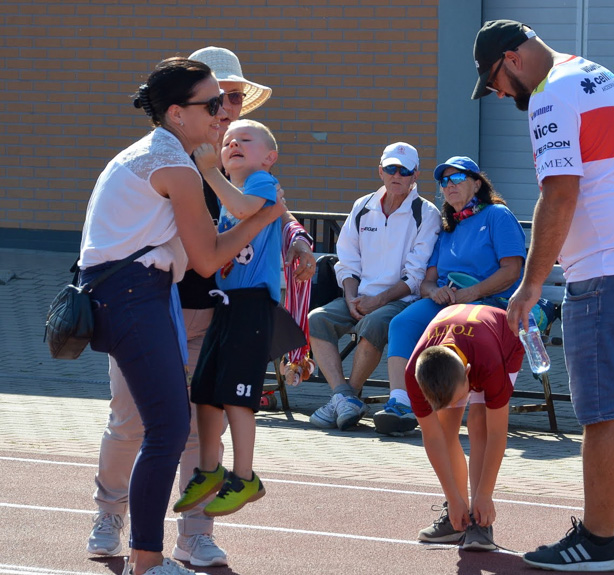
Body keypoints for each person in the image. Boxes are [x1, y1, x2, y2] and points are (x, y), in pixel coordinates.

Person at [85, 47, 314, 569]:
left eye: (232, 99)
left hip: (213, 310)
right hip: (152, 305)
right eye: (218, 100)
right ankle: (112, 516)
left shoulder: (230, 151)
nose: (227, 109)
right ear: (183, 109)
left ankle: (194, 533)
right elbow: (225, 239)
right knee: (133, 422)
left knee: (196, 428)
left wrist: (296, 237)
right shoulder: (177, 153)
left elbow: (265, 203)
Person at [471, 20, 614, 572]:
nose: (496, 94)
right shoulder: (594, 74)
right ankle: (606, 527)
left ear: (512, 59)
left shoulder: (550, 94)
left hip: (612, 271)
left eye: (493, 80)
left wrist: (531, 283)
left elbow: (559, 194)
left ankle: (598, 538)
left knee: (604, 414)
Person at [172, 119, 284, 518]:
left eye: (246, 139)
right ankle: (208, 470)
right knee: (204, 391)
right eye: (229, 140)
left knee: (237, 396)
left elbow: (242, 209)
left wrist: (209, 172)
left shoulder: (260, 182)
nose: (234, 142)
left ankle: (244, 476)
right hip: (227, 301)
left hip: (252, 303)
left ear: (269, 157)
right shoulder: (230, 192)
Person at [375, 156, 525, 436]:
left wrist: (472, 292)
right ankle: (401, 402)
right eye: (444, 181)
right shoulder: (448, 226)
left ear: (477, 184)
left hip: (488, 304)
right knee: (402, 323)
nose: (449, 185)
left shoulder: (497, 215)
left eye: (457, 179)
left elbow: (512, 271)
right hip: (447, 303)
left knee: (452, 332)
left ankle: (443, 406)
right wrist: (436, 291)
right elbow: (427, 283)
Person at [306, 142, 440, 431]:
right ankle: (344, 397)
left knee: (374, 324)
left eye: (404, 170)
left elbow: (415, 277)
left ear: (416, 175)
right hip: (360, 296)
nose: (397, 175)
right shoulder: (362, 205)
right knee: (316, 319)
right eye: (391, 168)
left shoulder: (427, 213)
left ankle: (347, 397)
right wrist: (352, 297)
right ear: (380, 171)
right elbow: (347, 260)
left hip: (402, 302)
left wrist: (377, 301)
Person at [407, 304, 524, 551]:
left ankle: (479, 521)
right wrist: (453, 497)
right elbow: (433, 437)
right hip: (463, 346)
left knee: (479, 424)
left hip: (504, 343)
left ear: (469, 375)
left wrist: (484, 494)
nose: (459, 403)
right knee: (445, 427)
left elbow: (496, 435)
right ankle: (456, 516)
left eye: (460, 397)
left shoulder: (489, 366)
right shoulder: (413, 375)